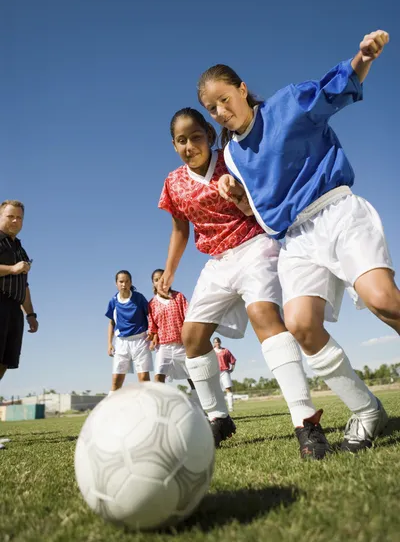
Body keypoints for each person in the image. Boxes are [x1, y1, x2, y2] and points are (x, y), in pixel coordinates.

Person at [198, 29, 394, 452]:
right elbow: (262, 211)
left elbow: (335, 88)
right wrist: (238, 199)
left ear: (242, 89)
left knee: (382, 299)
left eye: (223, 100)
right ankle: (367, 411)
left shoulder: (287, 105)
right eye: (211, 109)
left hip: (337, 211)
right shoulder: (231, 155)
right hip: (295, 240)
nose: (219, 112)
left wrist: (364, 58)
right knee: (303, 327)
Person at [156, 106, 331, 458]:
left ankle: (306, 421)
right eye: (181, 140)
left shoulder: (234, 158)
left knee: (263, 315)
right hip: (218, 261)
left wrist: (239, 193)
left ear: (208, 134)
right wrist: (170, 271)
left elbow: (266, 196)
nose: (190, 145)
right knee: (192, 337)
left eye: (196, 136)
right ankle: (218, 418)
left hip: (255, 244)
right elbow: (180, 228)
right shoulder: (173, 182)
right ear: (174, 145)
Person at [148, 268, 201, 407]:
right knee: (159, 376)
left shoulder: (179, 297)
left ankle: (201, 408)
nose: (160, 281)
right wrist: (152, 338)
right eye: (156, 279)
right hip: (163, 346)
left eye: (163, 278)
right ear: (153, 283)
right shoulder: (151, 304)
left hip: (181, 345)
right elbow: (152, 326)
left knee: (193, 377)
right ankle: (162, 407)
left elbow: (189, 317)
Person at [0, 200, 38, 381]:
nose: (15, 221)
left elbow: (23, 285)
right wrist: (11, 269)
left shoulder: (20, 250)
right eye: (10, 216)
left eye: (19, 218)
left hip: (14, 310)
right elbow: (15, 271)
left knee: (6, 361)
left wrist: (30, 314)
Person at [105, 270, 153, 394]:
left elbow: (151, 316)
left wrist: (152, 334)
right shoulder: (113, 301)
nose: (124, 284)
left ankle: (147, 408)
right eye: (121, 281)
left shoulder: (139, 298)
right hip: (121, 342)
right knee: (116, 381)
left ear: (130, 282)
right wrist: (109, 343)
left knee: (144, 379)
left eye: (126, 281)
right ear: (116, 283)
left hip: (140, 341)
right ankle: (111, 409)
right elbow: (111, 322)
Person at [213, 337, 236, 412]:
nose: (217, 343)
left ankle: (230, 407)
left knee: (228, 389)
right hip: (215, 373)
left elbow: (233, 360)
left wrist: (232, 369)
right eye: (216, 342)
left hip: (225, 371)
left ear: (220, 342)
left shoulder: (225, 351)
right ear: (214, 343)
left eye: (218, 342)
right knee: (217, 390)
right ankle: (220, 408)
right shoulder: (211, 352)